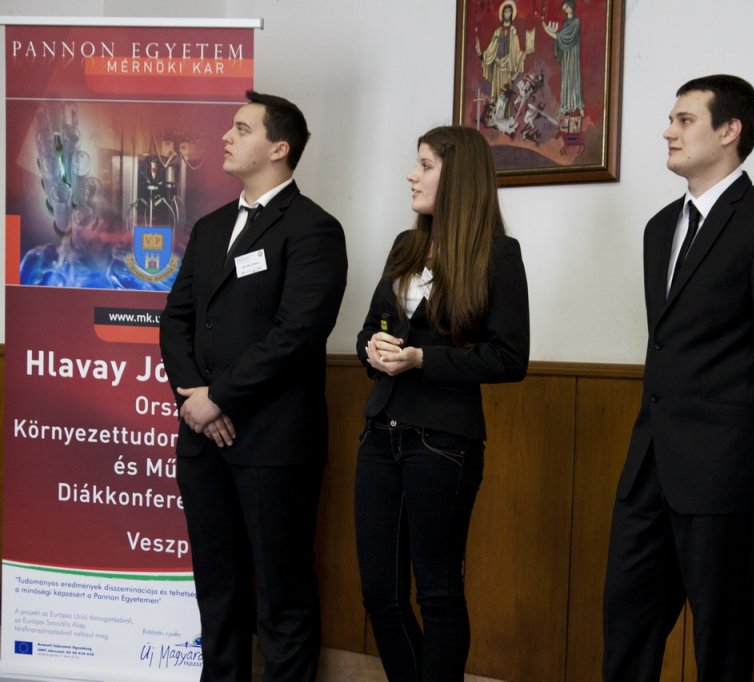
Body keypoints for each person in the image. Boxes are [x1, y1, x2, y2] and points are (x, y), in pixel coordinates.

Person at [602, 75, 754, 681]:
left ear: (730, 131)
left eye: (685, 120)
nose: (668, 132)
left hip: (728, 474)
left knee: (722, 648)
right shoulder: (658, 228)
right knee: (626, 633)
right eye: (670, 120)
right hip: (648, 468)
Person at [159, 90, 347, 682]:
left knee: (283, 596)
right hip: (203, 441)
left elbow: (297, 334)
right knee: (217, 591)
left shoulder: (314, 229)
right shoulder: (211, 227)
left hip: (273, 444)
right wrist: (195, 397)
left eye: (242, 129)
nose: (226, 136)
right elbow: (175, 320)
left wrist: (219, 398)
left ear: (279, 147)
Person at [354, 125, 529, 681]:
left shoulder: (498, 254)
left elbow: (509, 358)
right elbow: (369, 333)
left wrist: (422, 359)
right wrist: (373, 349)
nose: (412, 175)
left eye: (425, 165)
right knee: (379, 593)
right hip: (380, 434)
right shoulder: (404, 247)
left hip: (443, 442)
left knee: (438, 592)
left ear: (459, 177)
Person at [476, 0, 530, 111]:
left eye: (509, 12)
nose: (507, 14)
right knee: (497, 92)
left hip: (507, 67)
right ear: (502, 14)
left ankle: (506, 114)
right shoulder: (497, 32)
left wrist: (522, 55)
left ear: (512, 14)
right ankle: (496, 113)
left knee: (506, 92)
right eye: (505, 12)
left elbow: (516, 51)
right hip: (497, 66)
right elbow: (491, 49)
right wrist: (482, 55)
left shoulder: (513, 32)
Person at [542, 0, 584, 118]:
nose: (565, 10)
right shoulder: (566, 22)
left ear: (571, 7)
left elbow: (564, 37)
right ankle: (565, 105)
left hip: (573, 54)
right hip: (566, 54)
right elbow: (562, 39)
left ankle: (577, 104)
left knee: (573, 77)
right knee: (566, 79)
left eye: (566, 7)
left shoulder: (576, 22)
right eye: (564, 8)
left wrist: (547, 30)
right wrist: (553, 33)